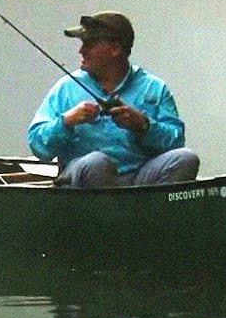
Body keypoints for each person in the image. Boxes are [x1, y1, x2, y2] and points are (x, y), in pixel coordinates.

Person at [27, 11, 199, 187]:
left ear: (115, 49)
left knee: (186, 159)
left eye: (88, 44)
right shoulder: (66, 87)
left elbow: (176, 142)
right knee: (96, 163)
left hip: (139, 178)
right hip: (83, 178)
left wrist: (143, 125)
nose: (81, 50)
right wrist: (67, 122)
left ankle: (150, 211)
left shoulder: (154, 88)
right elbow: (38, 145)